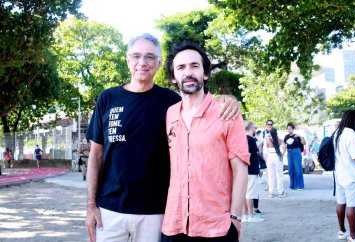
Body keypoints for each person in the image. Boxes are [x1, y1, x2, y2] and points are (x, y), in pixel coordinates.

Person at [85, 34, 240, 242]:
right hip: (109, 210)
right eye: (136, 56)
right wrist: (90, 205)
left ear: (158, 64)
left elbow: (197, 98)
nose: (143, 62)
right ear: (127, 60)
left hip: (156, 212)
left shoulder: (171, 102)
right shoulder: (107, 98)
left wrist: (229, 100)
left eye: (150, 57)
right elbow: (95, 155)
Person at [161, 41, 249, 241]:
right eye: (181, 67)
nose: (188, 72)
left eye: (195, 66)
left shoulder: (227, 112)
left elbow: (240, 170)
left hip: (216, 227)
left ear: (205, 73)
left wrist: (235, 219)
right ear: (174, 77)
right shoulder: (170, 114)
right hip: (174, 225)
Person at [333, 110, 355, 242]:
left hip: (339, 175)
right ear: (354, 120)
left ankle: (342, 231)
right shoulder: (352, 135)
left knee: (341, 203)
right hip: (352, 176)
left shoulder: (337, 133)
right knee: (351, 206)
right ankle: (353, 237)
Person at [242, 122, 264, 223]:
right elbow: (249, 155)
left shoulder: (242, 139)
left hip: (245, 170)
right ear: (251, 128)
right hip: (250, 170)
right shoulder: (250, 140)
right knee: (250, 193)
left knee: (245, 193)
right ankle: (251, 216)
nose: (255, 130)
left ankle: (245, 215)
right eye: (254, 128)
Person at [283, 122, 305, 190]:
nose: (289, 130)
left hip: (296, 151)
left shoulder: (297, 136)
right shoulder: (286, 136)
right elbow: (284, 145)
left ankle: (299, 185)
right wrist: (283, 153)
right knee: (291, 170)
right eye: (288, 129)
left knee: (298, 169)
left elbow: (304, 143)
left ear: (293, 129)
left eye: (290, 129)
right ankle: (292, 185)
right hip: (289, 152)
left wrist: (300, 137)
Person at [266, 128, 286, 198]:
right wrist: (283, 154)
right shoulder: (279, 140)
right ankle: (280, 192)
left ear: (270, 133)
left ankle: (271, 192)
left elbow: (266, 146)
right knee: (279, 174)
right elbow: (284, 146)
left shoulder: (268, 139)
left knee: (271, 174)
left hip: (270, 155)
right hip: (277, 155)